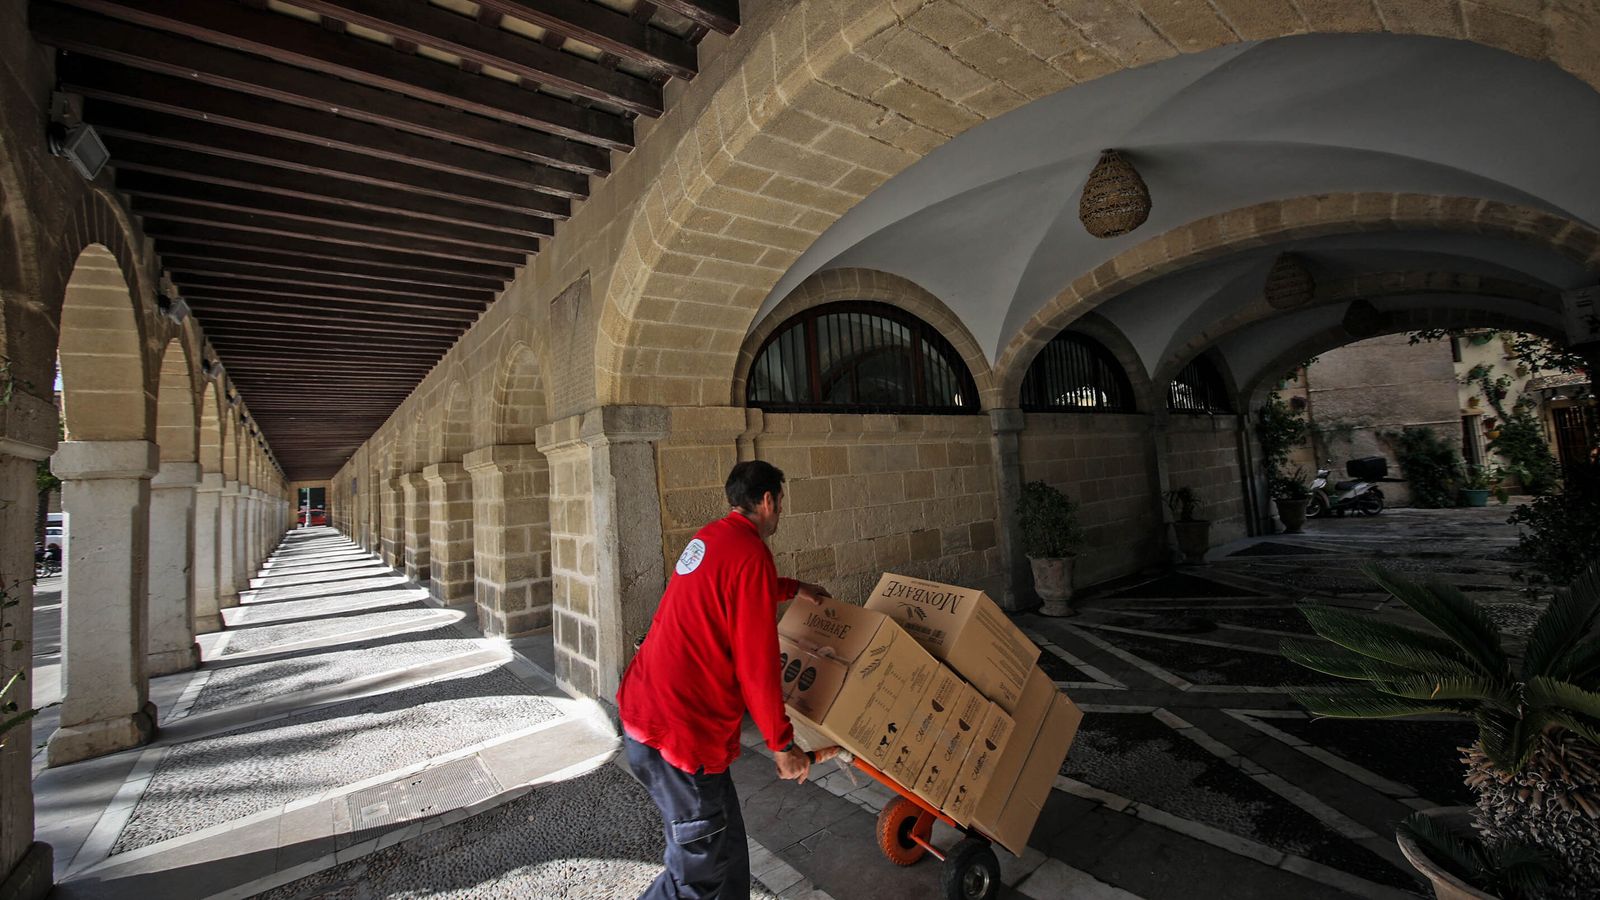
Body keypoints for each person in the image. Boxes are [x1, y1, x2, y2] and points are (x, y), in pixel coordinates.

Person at [618, 459, 833, 900]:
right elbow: (757, 665)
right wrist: (781, 744)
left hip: (645, 711)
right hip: (682, 735)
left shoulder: (711, 537)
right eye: (781, 503)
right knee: (697, 876)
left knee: (729, 849)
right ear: (768, 500)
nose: (781, 513)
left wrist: (794, 588)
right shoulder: (752, 552)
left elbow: (729, 587)